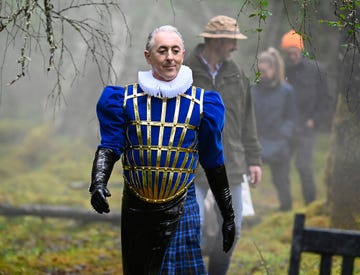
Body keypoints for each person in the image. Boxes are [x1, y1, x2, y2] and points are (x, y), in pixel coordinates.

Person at [88, 25, 236, 275]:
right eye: (162, 50)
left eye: (175, 51)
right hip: (136, 206)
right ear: (148, 56)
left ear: (182, 54)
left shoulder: (203, 105)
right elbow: (110, 146)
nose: (170, 57)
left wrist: (228, 215)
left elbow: (213, 161)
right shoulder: (124, 100)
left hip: (181, 204)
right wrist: (98, 181)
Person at [185, 15, 262, 275]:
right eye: (232, 41)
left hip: (230, 162)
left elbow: (246, 120)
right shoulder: (185, 72)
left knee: (233, 229)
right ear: (216, 41)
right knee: (190, 228)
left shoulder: (237, 74)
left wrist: (254, 159)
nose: (236, 47)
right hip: (191, 163)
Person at [281, 30, 330, 205]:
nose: (292, 55)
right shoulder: (282, 71)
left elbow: (326, 99)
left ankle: (310, 203)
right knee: (282, 165)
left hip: (307, 126)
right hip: (287, 127)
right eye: (288, 52)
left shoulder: (317, 70)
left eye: (294, 51)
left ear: (301, 50)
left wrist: (315, 120)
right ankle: (285, 205)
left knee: (303, 165)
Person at [252, 47, 297, 211]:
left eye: (264, 71)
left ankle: (286, 209)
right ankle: (243, 210)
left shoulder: (287, 91)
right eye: (259, 71)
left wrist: (284, 135)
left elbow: (292, 118)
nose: (262, 74)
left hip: (279, 143)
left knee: (281, 179)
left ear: (273, 68)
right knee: (243, 176)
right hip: (257, 142)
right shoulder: (253, 90)